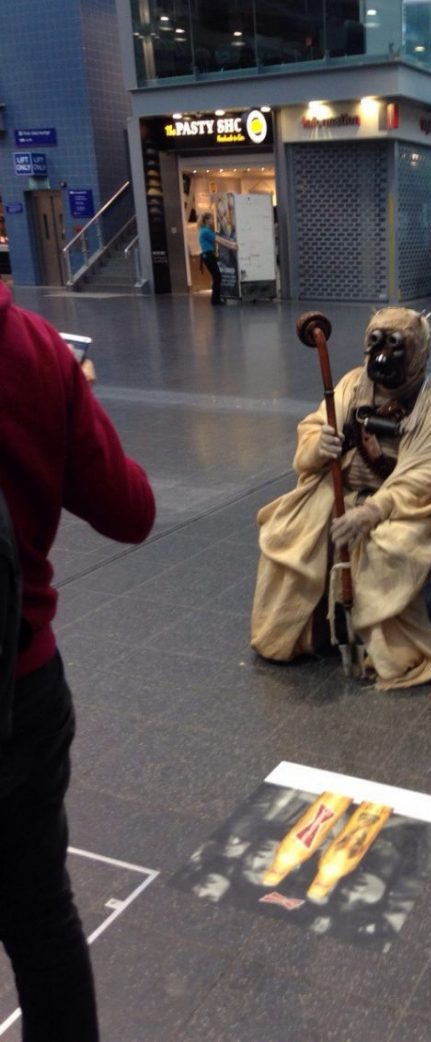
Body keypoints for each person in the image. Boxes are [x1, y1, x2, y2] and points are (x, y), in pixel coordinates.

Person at [0, 282, 156, 1041]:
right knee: (40, 923)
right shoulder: (31, 350)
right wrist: (73, 405)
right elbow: (131, 510)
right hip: (17, 688)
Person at [251, 307, 431, 690]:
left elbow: (422, 476)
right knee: (291, 531)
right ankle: (296, 633)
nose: (382, 356)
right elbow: (315, 425)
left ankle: (385, 650)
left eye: (395, 346)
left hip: (402, 508)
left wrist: (373, 511)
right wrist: (320, 445)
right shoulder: (351, 385)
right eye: (376, 344)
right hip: (343, 488)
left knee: (385, 548)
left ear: (417, 353)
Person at [198, 211, 237, 306]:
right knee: (217, 276)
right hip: (208, 255)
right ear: (206, 220)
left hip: (207, 255)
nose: (213, 220)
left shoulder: (204, 230)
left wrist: (231, 245)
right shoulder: (206, 231)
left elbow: (219, 239)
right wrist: (231, 245)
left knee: (216, 276)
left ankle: (215, 299)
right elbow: (219, 240)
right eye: (211, 218)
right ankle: (215, 300)